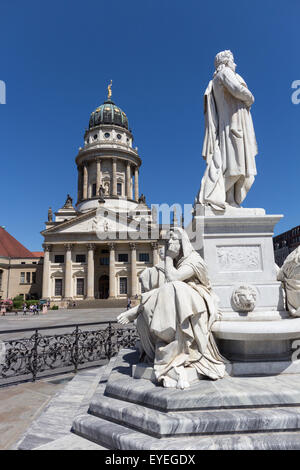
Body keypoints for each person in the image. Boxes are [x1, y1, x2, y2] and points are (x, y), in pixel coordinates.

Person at [118, 227, 226, 389]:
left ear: (182, 242)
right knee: (167, 290)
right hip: (180, 298)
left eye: (173, 240)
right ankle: (155, 328)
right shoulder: (176, 262)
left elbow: (173, 278)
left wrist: (168, 258)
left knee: (173, 287)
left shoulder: (194, 261)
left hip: (198, 298)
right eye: (168, 242)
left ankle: (142, 315)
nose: (169, 244)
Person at [198, 50, 258, 211]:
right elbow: (237, 89)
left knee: (232, 165)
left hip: (230, 127)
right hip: (233, 126)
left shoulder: (217, 79)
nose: (235, 64)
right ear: (225, 62)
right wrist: (250, 97)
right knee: (236, 165)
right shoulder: (225, 73)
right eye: (233, 61)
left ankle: (230, 201)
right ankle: (210, 197)